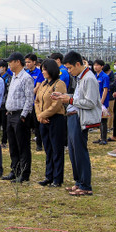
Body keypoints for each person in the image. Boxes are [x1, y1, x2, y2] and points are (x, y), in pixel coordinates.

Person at [52, 52, 102, 196]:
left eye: (70, 68)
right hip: (73, 116)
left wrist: (70, 100)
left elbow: (90, 102)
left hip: (80, 118)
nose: (68, 71)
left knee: (80, 152)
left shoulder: (89, 79)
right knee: (73, 152)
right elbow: (78, 97)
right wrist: (65, 96)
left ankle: (85, 185)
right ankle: (79, 181)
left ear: (78, 64)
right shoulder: (81, 78)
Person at [3, 52, 34, 183]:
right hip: (10, 114)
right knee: (13, 145)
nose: (9, 64)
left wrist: (23, 115)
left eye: (10, 62)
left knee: (23, 146)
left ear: (17, 62)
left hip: (20, 115)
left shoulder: (26, 78)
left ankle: (24, 173)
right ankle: (14, 170)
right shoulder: (14, 77)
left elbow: (29, 99)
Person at [35, 59, 67, 187]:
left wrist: (43, 115)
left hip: (56, 119)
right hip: (43, 120)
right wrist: (39, 116)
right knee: (48, 149)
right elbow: (37, 101)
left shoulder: (59, 84)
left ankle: (57, 178)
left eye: (45, 69)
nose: (43, 72)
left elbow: (57, 104)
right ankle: (49, 176)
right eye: (42, 69)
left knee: (56, 149)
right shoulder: (43, 84)